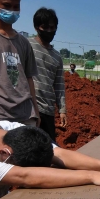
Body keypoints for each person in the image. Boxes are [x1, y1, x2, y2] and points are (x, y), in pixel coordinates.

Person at [28, 7, 67, 142]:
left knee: (48, 148)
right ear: (37, 27)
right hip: (28, 108)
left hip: (47, 109)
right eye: (45, 27)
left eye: (53, 27)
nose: (50, 31)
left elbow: (59, 85)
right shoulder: (27, 45)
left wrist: (62, 110)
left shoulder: (57, 56)